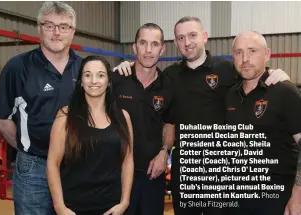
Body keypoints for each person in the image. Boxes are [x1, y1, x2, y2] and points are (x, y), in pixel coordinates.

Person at [113, 17, 290, 215]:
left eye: (192, 35)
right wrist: (126, 66)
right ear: (175, 43)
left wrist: (275, 73)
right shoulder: (170, 76)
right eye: (181, 38)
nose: (187, 42)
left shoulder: (226, 70)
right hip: (185, 169)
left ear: (205, 37)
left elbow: (253, 75)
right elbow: (168, 119)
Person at [0, 2, 82, 214]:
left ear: (73, 32)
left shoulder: (85, 68)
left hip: (75, 167)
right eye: (49, 25)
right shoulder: (17, 67)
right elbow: (1, 118)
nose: (57, 33)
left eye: (64, 26)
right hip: (34, 170)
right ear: (39, 28)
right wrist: (28, 148)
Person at [225, 31, 301, 215]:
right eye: (239, 52)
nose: (245, 59)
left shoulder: (285, 92)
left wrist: (297, 196)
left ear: (267, 54)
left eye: (252, 51)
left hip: (276, 199)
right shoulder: (229, 95)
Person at [46, 55, 134, 215]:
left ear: (108, 81)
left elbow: (128, 161)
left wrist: (124, 202)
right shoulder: (65, 116)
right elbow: (52, 164)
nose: (94, 81)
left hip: (111, 207)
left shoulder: (123, 117)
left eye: (100, 75)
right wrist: (60, 207)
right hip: (74, 208)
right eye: (87, 75)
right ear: (80, 81)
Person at [112, 23, 175, 215]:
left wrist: (164, 152)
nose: (148, 50)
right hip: (117, 175)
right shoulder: (116, 79)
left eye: (154, 44)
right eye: (143, 43)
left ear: (162, 49)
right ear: (134, 47)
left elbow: (169, 124)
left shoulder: (168, 85)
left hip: (152, 175)